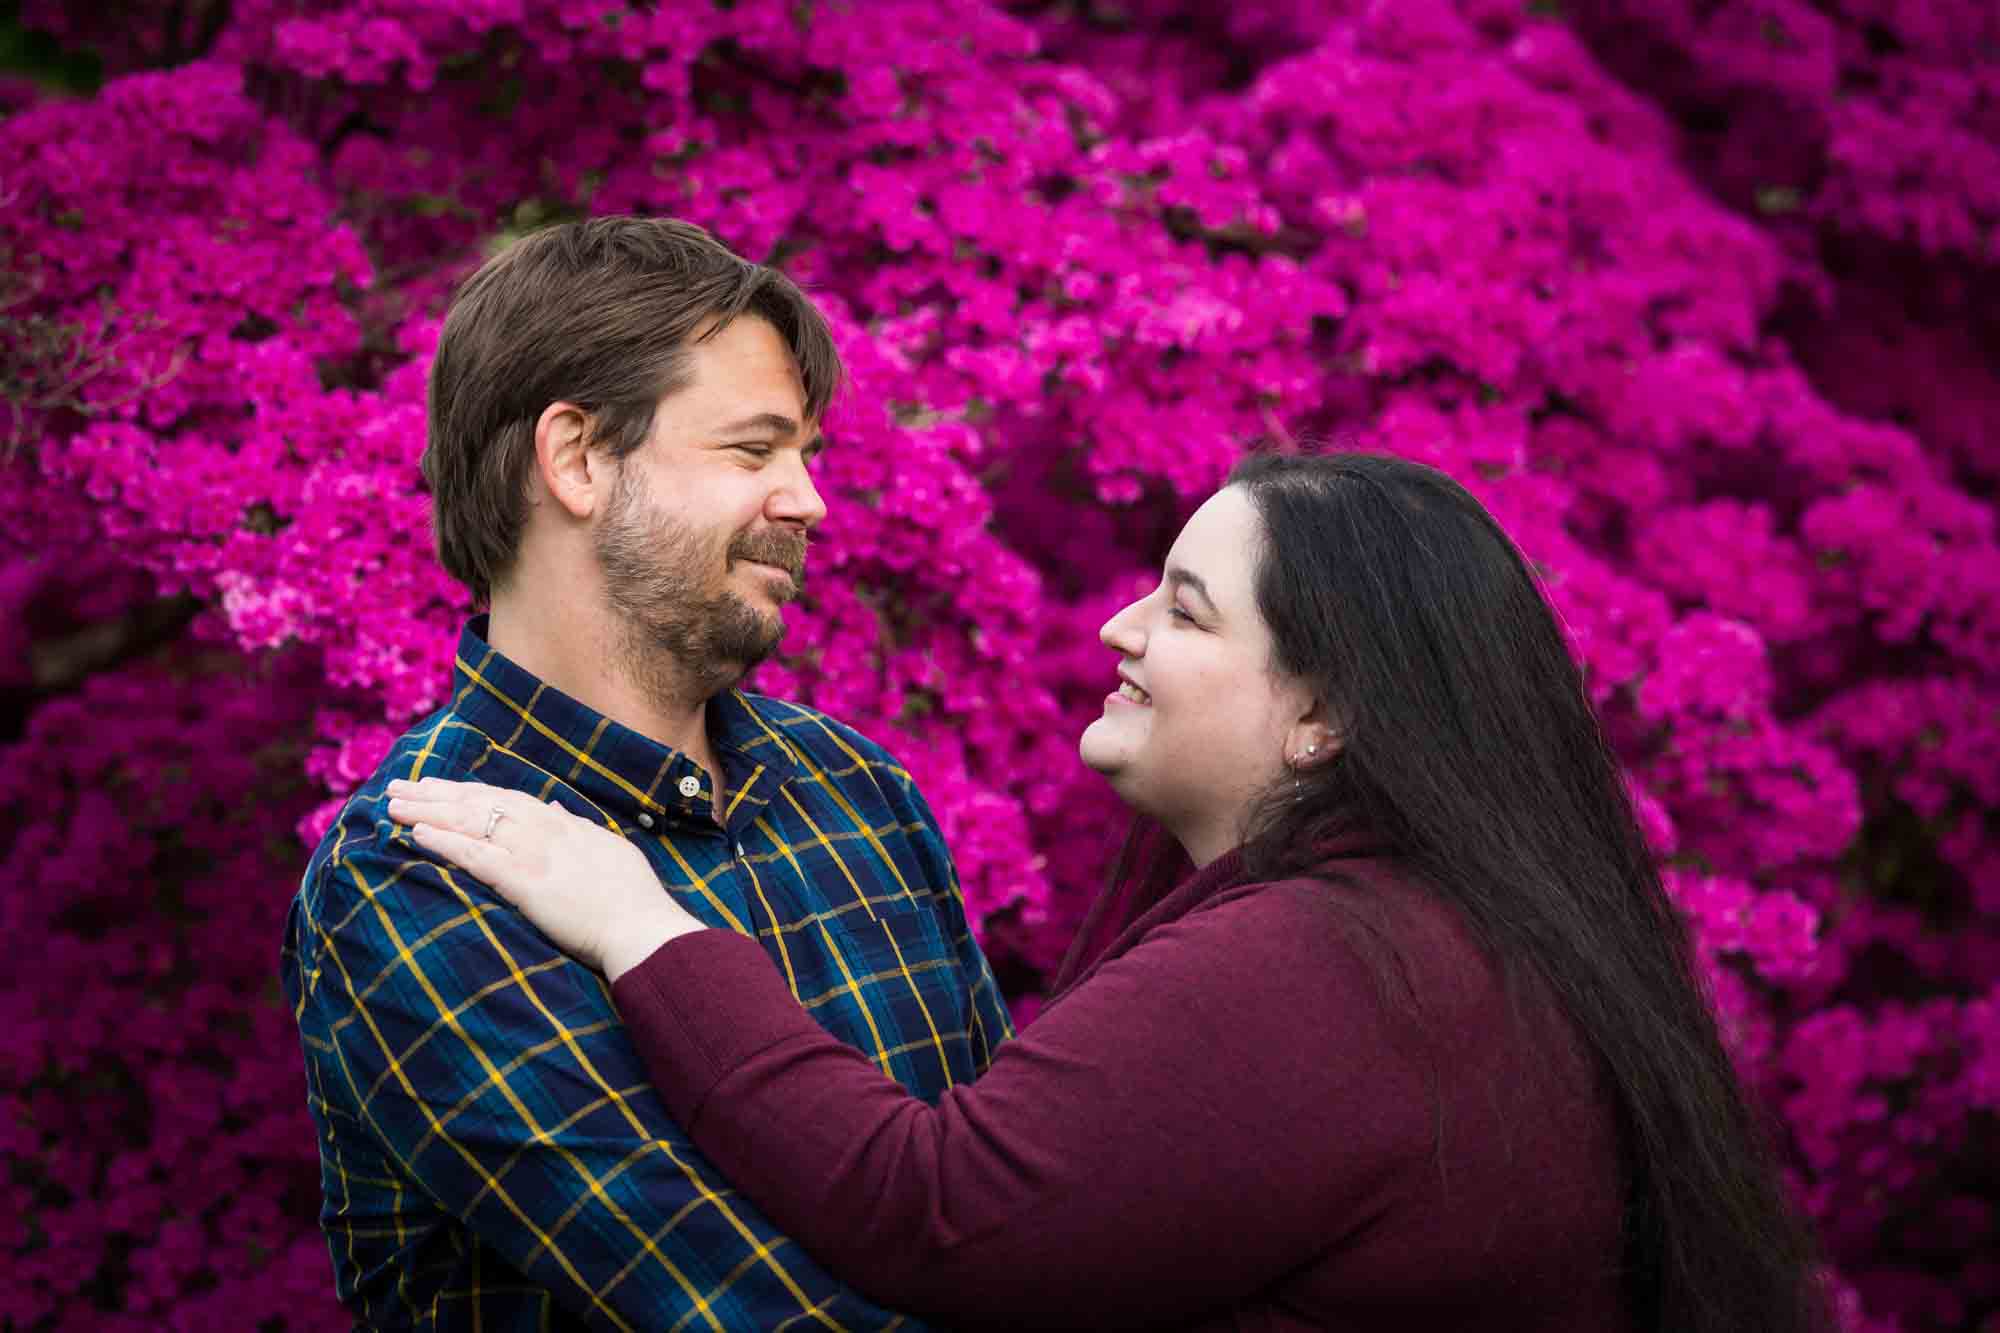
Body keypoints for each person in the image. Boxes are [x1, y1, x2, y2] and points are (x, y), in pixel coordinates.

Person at [388, 452, 1831, 1333]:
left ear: (1325, 718)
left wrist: (644, 924)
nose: (1119, 627)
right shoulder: (1444, 929)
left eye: (1186, 609)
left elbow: (932, 1206)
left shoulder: (1334, 966)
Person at [281, 215, 1012, 1332]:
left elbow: (1002, 1213)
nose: (808, 499)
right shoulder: (419, 868)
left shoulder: (858, 791)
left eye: (805, 455)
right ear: (575, 458)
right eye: (752, 449)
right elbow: (741, 1307)